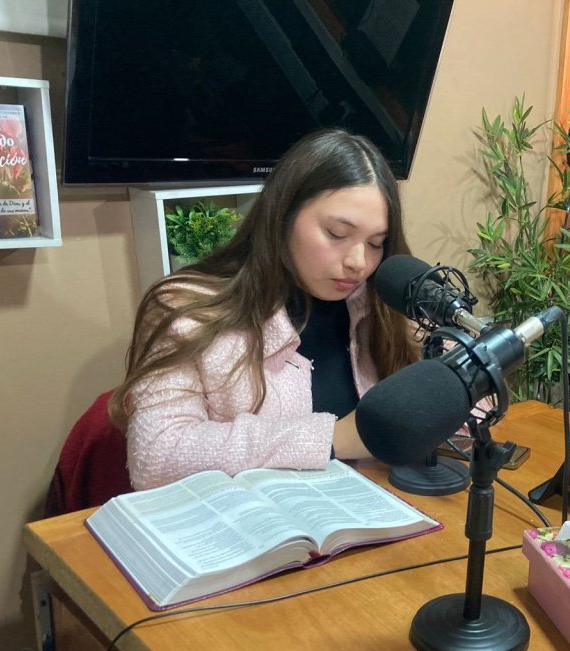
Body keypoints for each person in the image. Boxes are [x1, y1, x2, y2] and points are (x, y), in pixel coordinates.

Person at [108, 128, 420, 490]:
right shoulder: (186, 309)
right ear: (283, 215)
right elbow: (156, 457)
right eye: (337, 234)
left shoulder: (377, 302)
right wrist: (334, 439)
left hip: (370, 509)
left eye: (376, 243)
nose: (358, 262)